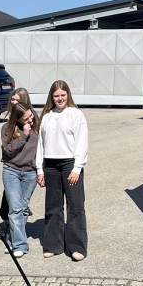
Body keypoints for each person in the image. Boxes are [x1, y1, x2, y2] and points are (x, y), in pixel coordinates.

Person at [36, 80, 89, 261]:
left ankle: (77, 247)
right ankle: (53, 245)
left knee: (75, 206)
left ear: (68, 95)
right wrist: (39, 169)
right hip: (50, 164)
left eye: (63, 95)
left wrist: (77, 167)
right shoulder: (46, 116)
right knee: (53, 206)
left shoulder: (75, 114)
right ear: (51, 97)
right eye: (56, 95)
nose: (60, 99)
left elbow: (82, 142)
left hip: (70, 163)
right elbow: (40, 145)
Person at [1, 103, 40, 257]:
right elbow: (8, 151)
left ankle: (12, 238)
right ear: (17, 119)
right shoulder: (7, 129)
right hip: (11, 171)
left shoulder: (37, 127)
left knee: (23, 208)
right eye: (26, 118)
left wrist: (41, 172)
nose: (30, 120)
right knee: (15, 208)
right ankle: (20, 245)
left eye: (31, 116)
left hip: (30, 173)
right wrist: (23, 134)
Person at [0, 88, 34, 224]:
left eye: (17, 100)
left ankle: (15, 232)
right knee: (13, 206)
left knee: (20, 206)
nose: (13, 102)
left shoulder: (32, 122)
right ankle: (15, 235)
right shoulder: (8, 126)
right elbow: (8, 148)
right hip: (11, 168)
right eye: (12, 100)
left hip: (28, 169)